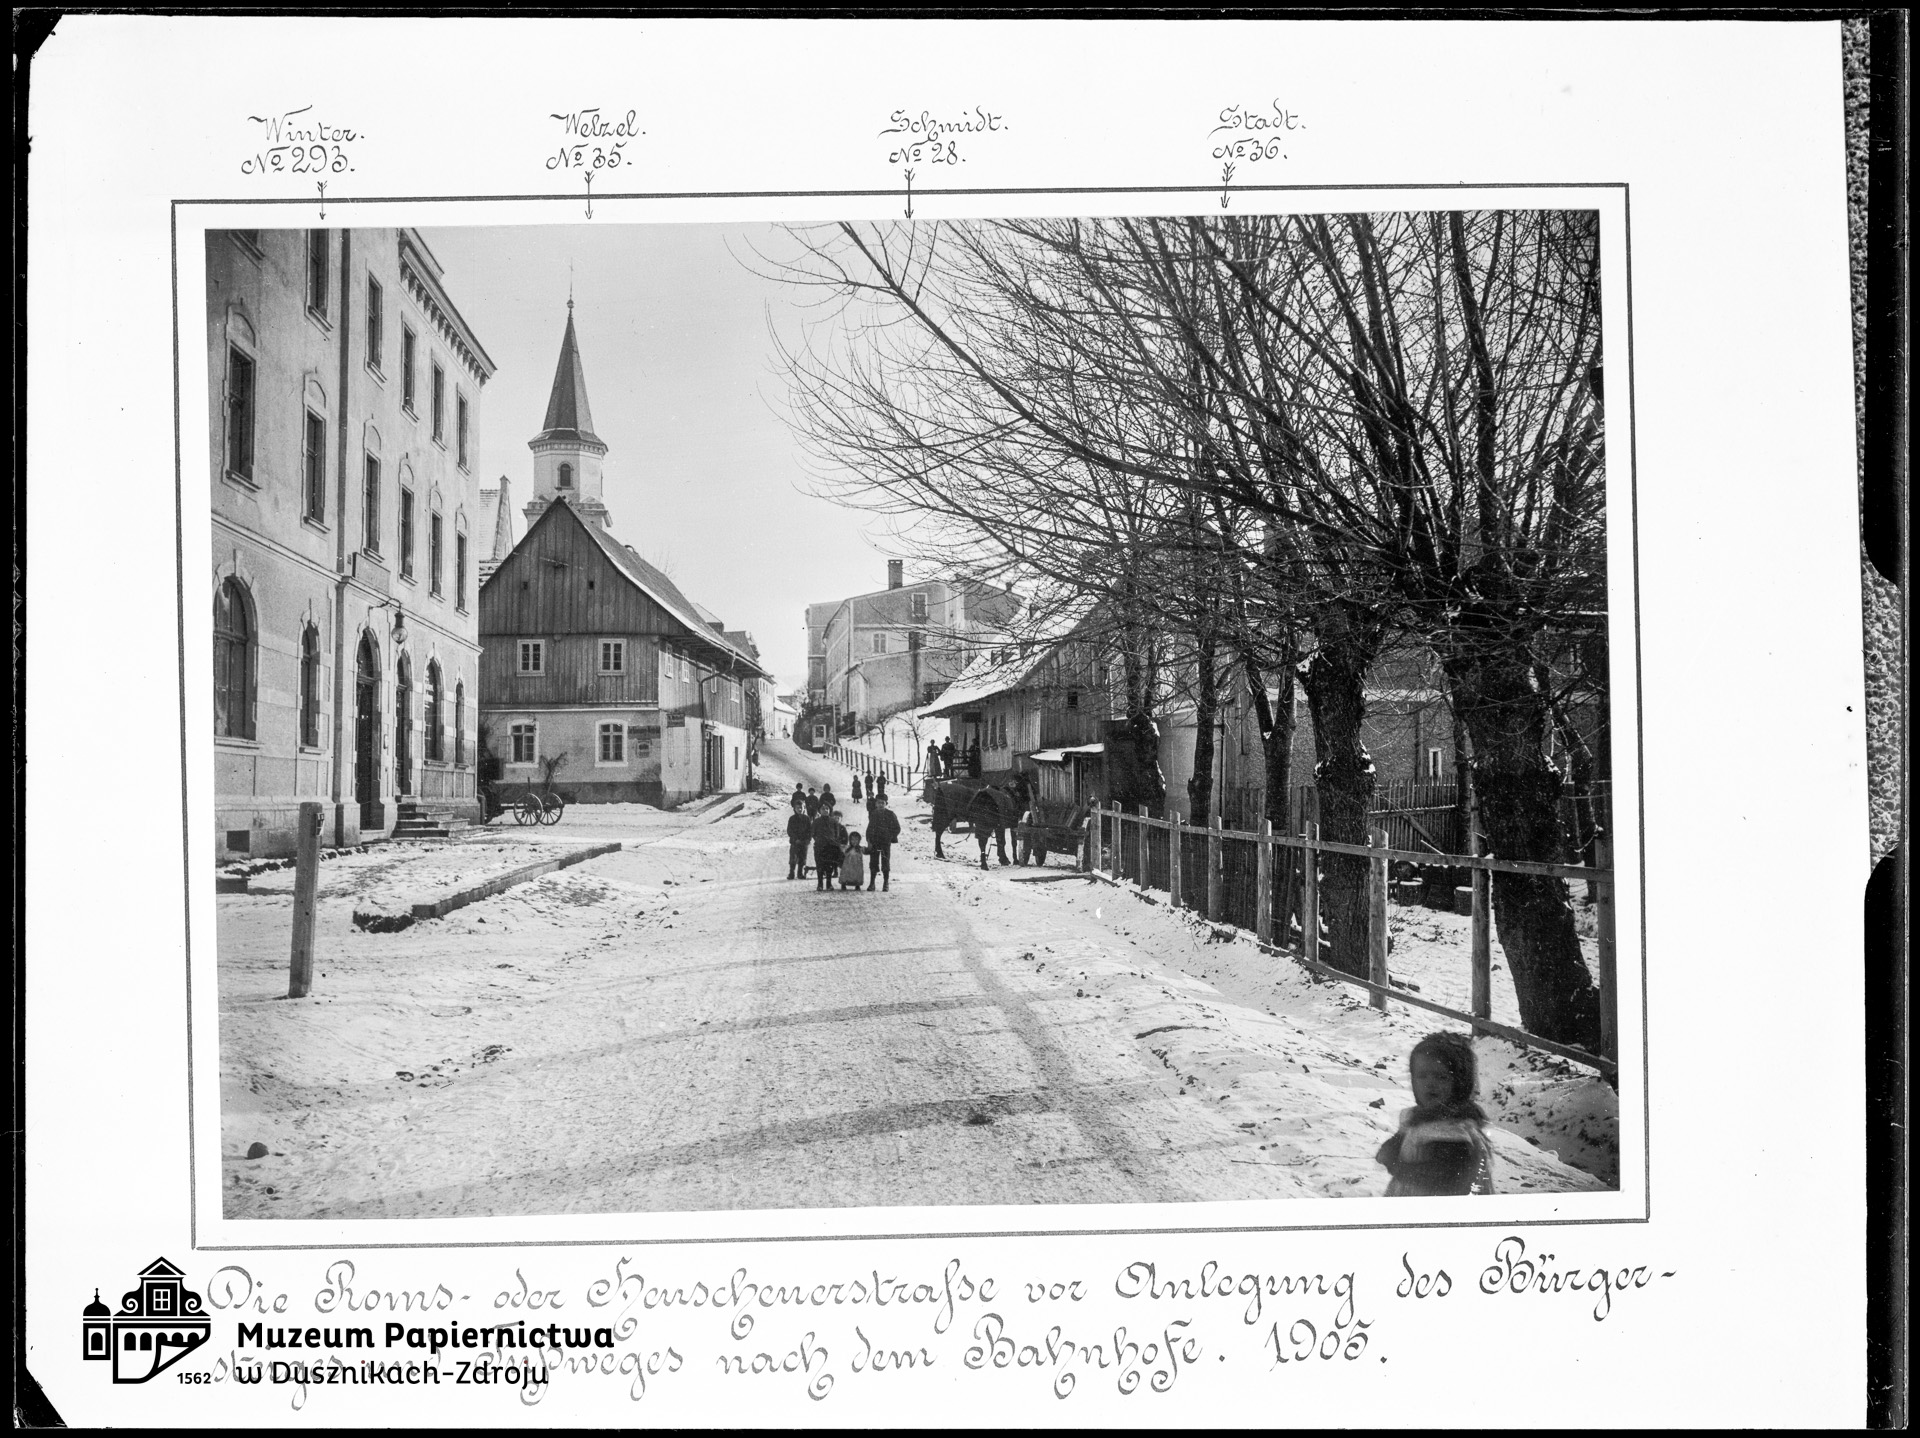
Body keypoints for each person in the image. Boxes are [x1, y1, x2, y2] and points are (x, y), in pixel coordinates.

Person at [1374, 1032, 1494, 1197]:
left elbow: (1447, 1178)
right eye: (1422, 1076)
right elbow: (1405, 1137)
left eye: (1441, 1077)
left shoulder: (1455, 1132)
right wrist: (1391, 1148)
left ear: (1460, 1083)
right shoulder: (1420, 1116)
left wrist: (1399, 1167)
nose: (1430, 1084)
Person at [866, 793, 901, 891]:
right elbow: (870, 828)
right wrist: (869, 840)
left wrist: (890, 836)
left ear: (886, 803)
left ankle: (886, 883)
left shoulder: (891, 814)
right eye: (878, 803)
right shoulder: (874, 814)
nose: (880, 805)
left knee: (885, 862)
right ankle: (872, 883)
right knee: (873, 862)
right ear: (875, 804)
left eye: (883, 803)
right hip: (875, 841)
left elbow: (897, 828)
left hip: (885, 842)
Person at [811, 804, 845, 893]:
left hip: (831, 846)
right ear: (819, 811)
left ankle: (829, 884)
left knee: (829, 865)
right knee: (820, 865)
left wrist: (832, 841)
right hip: (819, 846)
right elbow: (813, 833)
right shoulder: (816, 821)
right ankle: (820, 884)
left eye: (827, 809)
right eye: (823, 809)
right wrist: (819, 840)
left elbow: (837, 834)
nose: (825, 810)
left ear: (830, 810)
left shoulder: (833, 821)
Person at [785, 802, 813, 880]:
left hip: (804, 842)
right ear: (794, 809)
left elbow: (810, 830)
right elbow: (789, 830)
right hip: (795, 842)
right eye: (798, 808)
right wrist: (795, 839)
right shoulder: (792, 818)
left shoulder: (807, 818)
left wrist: (808, 839)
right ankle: (791, 873)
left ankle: (800, 873)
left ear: (804, 809)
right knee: (793, 857)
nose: (800, 809)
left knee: (802, 858)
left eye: (801, 807)